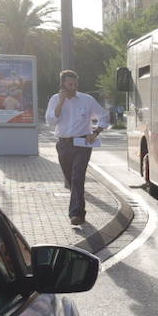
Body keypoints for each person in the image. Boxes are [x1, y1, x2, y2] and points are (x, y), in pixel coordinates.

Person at [45, 69, 108, 226]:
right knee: (70, 178)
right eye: (69, 84)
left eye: (75, 84)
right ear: (63, 84)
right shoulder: (54, 99)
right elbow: (51, 122)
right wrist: (61, 102)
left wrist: (95, 132)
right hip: (63, 144)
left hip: (82, 144)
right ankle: (78, 207)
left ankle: (76, 214)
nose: (73, 87)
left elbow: (104, 116)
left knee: (77, 177)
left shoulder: (87, 100)